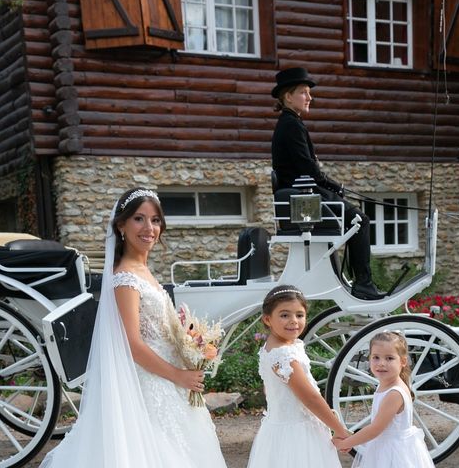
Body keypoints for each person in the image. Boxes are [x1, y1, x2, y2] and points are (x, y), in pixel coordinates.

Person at [40, 188, 227, 468]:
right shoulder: (126, 278)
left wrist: (190, 341)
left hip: (168, 379)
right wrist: (179, 375)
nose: (149, 228)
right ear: (121, 225)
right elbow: (132, 344)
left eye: (155, 220)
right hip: (149, 384)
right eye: (139, 219)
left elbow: (157, 330)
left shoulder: (143, 270)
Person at [271, 67, 385, 300]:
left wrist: (330, 185)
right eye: (304, 92)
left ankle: (358, 282)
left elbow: (306, 168)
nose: (309, 97)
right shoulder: (290, 125)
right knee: (359, 220)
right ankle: (363, 284)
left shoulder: (291, 123)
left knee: (357, 219)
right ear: (287, 96)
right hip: (303, 198)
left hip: (305, 194)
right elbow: (308, 169)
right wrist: (333, 185)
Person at [247, 285, 349, 468]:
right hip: (297, 433)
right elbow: (310, 398)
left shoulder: (273, 347)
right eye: (285, 315)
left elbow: (269, 389)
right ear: (267, 319)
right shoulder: (283, 355)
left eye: (299, 315)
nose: (294, 321)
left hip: (277, 428)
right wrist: (339, 429)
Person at [332, 331, 434, 468]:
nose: (381, 363)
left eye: (389, 358)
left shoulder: (394, 393)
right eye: (376, 357)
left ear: (403, 361)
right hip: (385, 446)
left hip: (394, 453)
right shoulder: (385, 385)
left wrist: (347, 443)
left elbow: (376, 429)